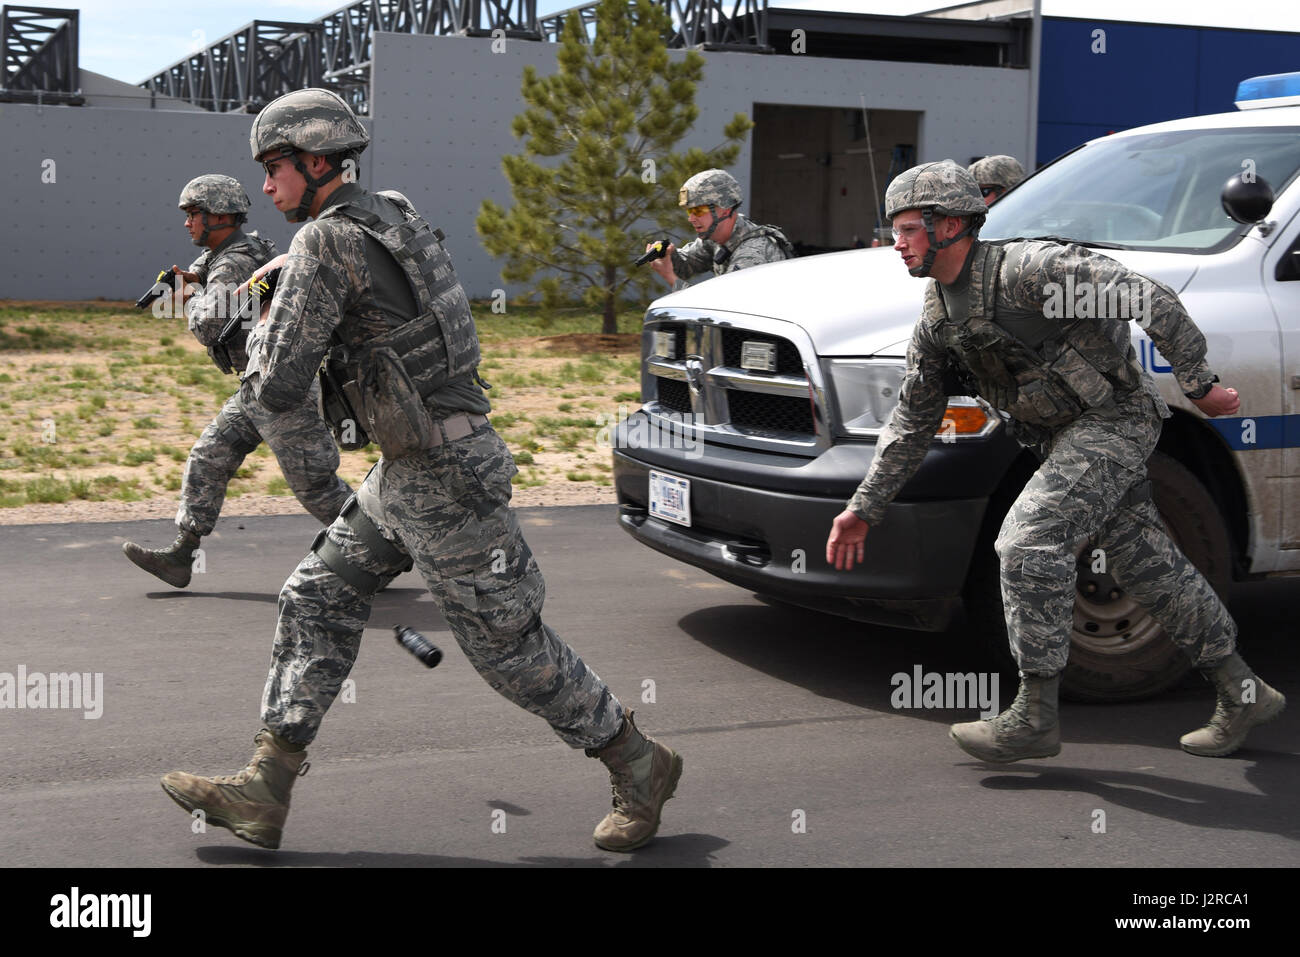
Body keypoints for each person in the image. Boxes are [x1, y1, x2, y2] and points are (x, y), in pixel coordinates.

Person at [158, 89, 682, 852]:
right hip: (414, 464)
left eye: (274, 168)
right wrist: (280, 282)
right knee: (316, 595)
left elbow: (272, 383)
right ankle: (266, 786)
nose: (265, 188)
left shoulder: (322, 245)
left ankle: (640, 761)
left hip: (442, 474)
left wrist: (250, 314)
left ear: (314, 160)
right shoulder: (389, 211)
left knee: (508, 646)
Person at [825, 160, 1284, 763]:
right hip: (1058, 441)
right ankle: (1242, 690)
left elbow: (1147, 296)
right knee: (1148, 565)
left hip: (1113, 422)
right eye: (895, 229)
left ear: (953, 225)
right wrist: (864, 507)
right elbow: (912, 421)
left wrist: (1198, 384)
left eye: (909, 228)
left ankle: (1034, 715)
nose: (897, 243)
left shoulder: (1032, 272)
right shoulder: (938, 319)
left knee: (1027, 541)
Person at [122, 175, 352, 588]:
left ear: (221, 217)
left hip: (281, 388)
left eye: (194, 214)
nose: (187, 223)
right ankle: (182, 553)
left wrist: (188, 297)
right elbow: (208, 277)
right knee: (209, 455)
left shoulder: (234, 261)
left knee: (315, 483)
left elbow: (210, 326)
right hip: (256, 383)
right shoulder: (225, 255)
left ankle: (381, 546)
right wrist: (192, 280)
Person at [647, 168, 793, 289]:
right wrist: (670, 255)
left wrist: (670, 278)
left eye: (698, 211)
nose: (691, 218)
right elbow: (687, 266)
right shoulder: (716, 238)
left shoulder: (752, 253)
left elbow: (718, 310)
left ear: (725, 209)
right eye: (689, 211)